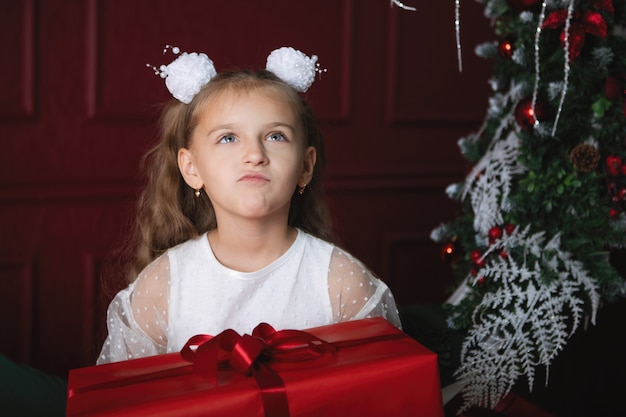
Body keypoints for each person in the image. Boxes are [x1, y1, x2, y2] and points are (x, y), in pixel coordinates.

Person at [97, 46, 401, 364]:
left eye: (275, 136)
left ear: (305, 167)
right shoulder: (161, 288)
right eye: (228, 138)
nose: (255, 154)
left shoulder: (343, 284)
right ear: (191, 168)